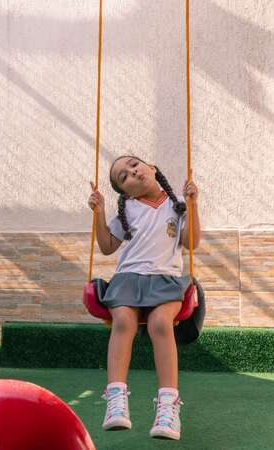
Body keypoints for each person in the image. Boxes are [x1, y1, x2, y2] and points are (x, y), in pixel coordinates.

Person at [87, 155, 200, 440]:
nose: (132, 173)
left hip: (166, 278)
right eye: (123, 176)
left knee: (161, 324)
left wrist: (194, 205)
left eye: (134, 165)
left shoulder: (177, 206)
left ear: (152, 167)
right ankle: (116, 399)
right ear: (126, 192)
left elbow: (191, 242)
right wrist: (99, 212)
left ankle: (168, 405)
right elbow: (106, 247)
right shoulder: (129, 210)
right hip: (128, 278)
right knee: (123, 321)